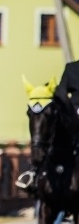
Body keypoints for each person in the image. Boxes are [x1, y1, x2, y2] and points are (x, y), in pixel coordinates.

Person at [18, 60, 79, 191]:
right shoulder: (72, 68)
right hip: (73, 114)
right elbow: (62, 92)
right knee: (51, 133)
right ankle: (34, 173)